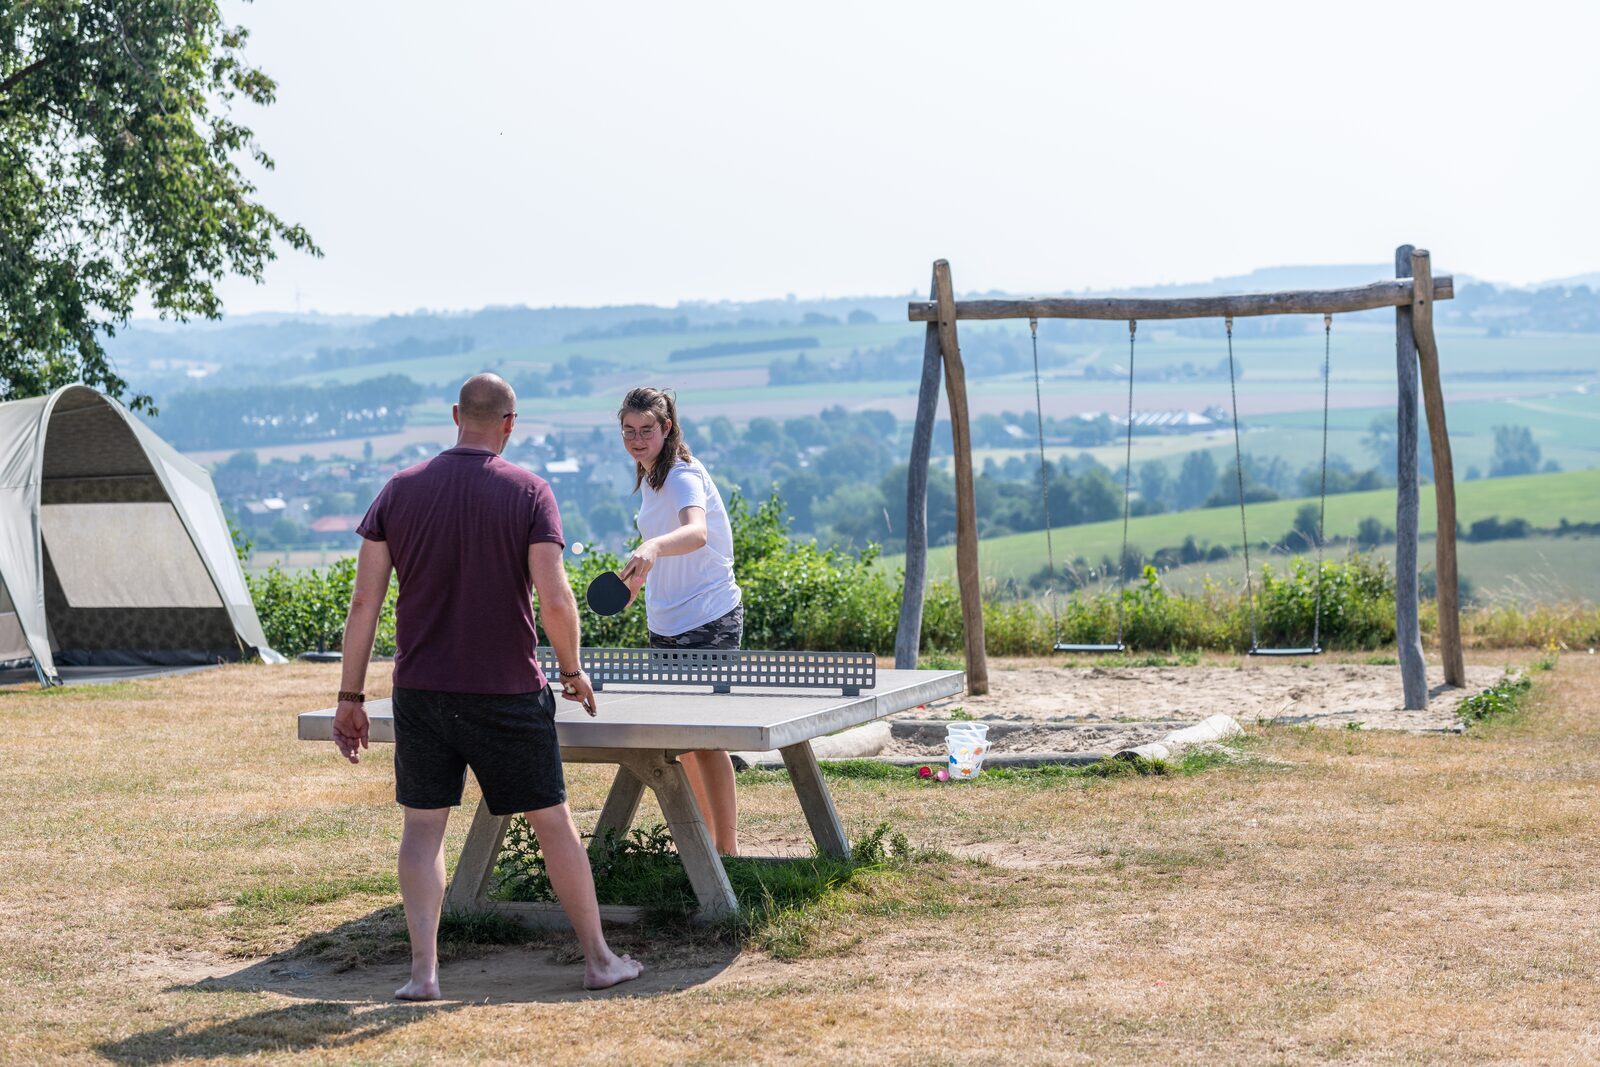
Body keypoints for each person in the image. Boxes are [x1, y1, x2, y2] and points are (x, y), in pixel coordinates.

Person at [332, 373, 641, 999]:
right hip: (505, 690)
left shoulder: (399, 490)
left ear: (455, 416)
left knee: (423, 830)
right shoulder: (529, 492)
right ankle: (599, 961)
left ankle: (423, 974)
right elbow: (555, 599)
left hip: (421, 690)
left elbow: (364, 601)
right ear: (509, 422)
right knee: (552, 824)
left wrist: (351, 697)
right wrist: (573, 671)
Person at [615, 387, 743, 855]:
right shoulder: (650, 481)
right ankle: (708, 846)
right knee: (683, 742)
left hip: (708, 617)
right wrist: (636, 579)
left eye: (646, 430)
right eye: (628, 431)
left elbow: (696, 532)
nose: (637, 438)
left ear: (666, 428)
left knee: (706, 739)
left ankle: (727, 850)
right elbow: (664, 552)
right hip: (665, 623)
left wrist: (651, 548)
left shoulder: (684, 474)